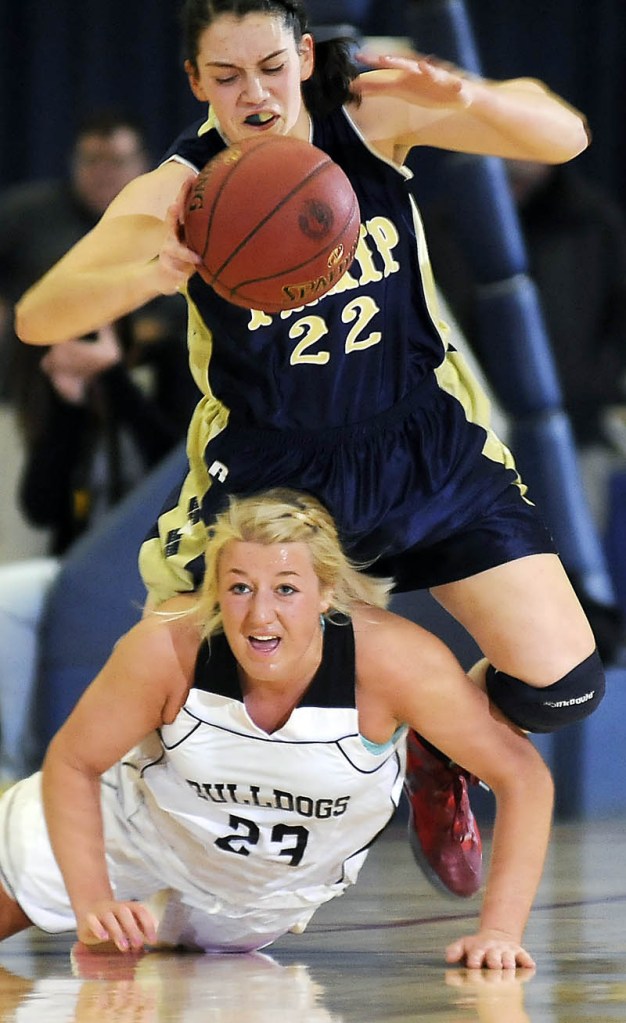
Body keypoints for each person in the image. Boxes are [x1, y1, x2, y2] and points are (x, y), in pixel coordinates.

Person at [15, 0, 603, 900]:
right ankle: (80, 873)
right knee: (161, 705)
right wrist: (147, 268)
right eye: (225, 77)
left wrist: (470, 94)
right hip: (274, 483)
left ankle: (441, 742)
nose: (252, 93)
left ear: (304, 54)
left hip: (421, 447)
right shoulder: (183, 188)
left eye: (270, 67)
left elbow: (562, 136)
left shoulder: (369, 114)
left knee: (564, 688)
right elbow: (38, 315)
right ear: (194, 82)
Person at [0, 489, 554, 969]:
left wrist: (500, 934)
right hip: (133, 836)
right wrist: (92, 899)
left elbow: (524, 778)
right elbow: (74, 762)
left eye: (286, 589)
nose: (260, 616)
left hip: (257, 898)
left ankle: (433, 756)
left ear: (327, 592)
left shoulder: (393, 660)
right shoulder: (169, 645)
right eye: (240, 588)